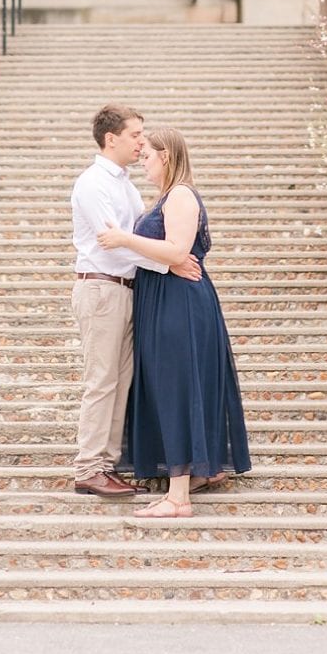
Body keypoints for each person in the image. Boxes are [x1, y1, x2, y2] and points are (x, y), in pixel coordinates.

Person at [98, 127, 252, 517]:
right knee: (175, 384)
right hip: (163, 299)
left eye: (147, 154)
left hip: (179, 304)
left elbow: (177, 250)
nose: (142, 160)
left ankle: (178, 497)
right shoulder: (165, 197)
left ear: (166, 156)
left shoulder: (181, 194)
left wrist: (124, 239)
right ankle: (199, 470)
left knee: (178, 387)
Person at [69, 104, 201, 498]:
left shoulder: (124, 183)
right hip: (102, 287)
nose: (142, 142)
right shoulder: (93, 183)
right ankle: (89, 466)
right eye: (135, 135)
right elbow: (113, 245)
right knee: (102, 379)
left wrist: (164, 260)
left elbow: (133, 238)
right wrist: (169, 264)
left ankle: (106, 463)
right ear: (112, 139)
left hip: (127, 290)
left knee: (120, 380)